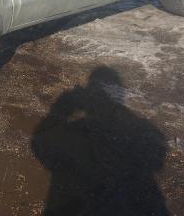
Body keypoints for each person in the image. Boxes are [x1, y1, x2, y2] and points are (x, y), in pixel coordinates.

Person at [31, 66, 169, 215]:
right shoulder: (136, 137)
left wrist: (61, 107)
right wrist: (114, 111)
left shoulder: (77, 133)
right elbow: (157, 147)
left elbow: (41, 142)